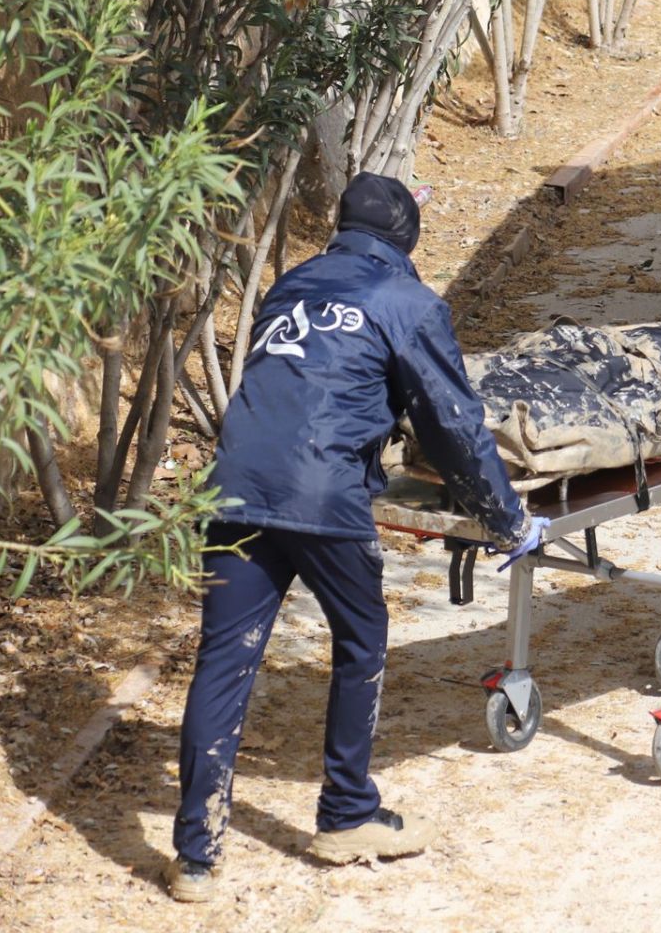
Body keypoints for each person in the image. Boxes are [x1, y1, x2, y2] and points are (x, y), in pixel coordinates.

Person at [166, 173, 544, 902]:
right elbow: (456, 424)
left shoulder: (293, 286)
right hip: (323, 494)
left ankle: (195, 858)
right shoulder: (406, 301)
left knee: (222, 664)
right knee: (362, 638)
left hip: (237, 483)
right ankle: (345, 813)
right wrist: (507, 521)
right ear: (406, 237)